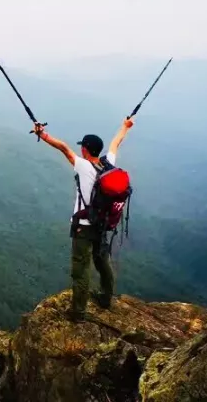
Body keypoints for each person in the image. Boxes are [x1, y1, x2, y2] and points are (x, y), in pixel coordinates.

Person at [32, 118, 134, 322]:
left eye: (83, 147)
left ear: (86, 150)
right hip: (102, 225)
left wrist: (42, 135)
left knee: (81, 270)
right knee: (102, 261)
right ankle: (106, 298)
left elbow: (63, 148)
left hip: (84, 228)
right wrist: (126, 126)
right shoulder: (109, 164)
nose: (80, 150)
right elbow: (116, 142)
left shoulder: (83, 166)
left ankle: (78, 313)